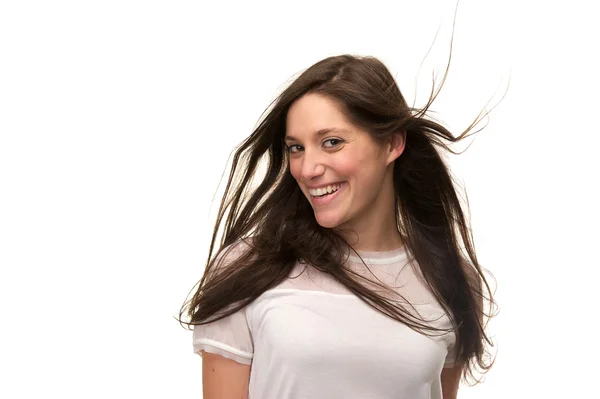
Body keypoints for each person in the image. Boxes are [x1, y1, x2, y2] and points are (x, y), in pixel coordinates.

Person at [178, 53, 496, 399]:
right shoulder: (248, 268)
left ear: (392, 143)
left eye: (331, 142)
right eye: (296, 148)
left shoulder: (449, 276)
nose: (308, 168)